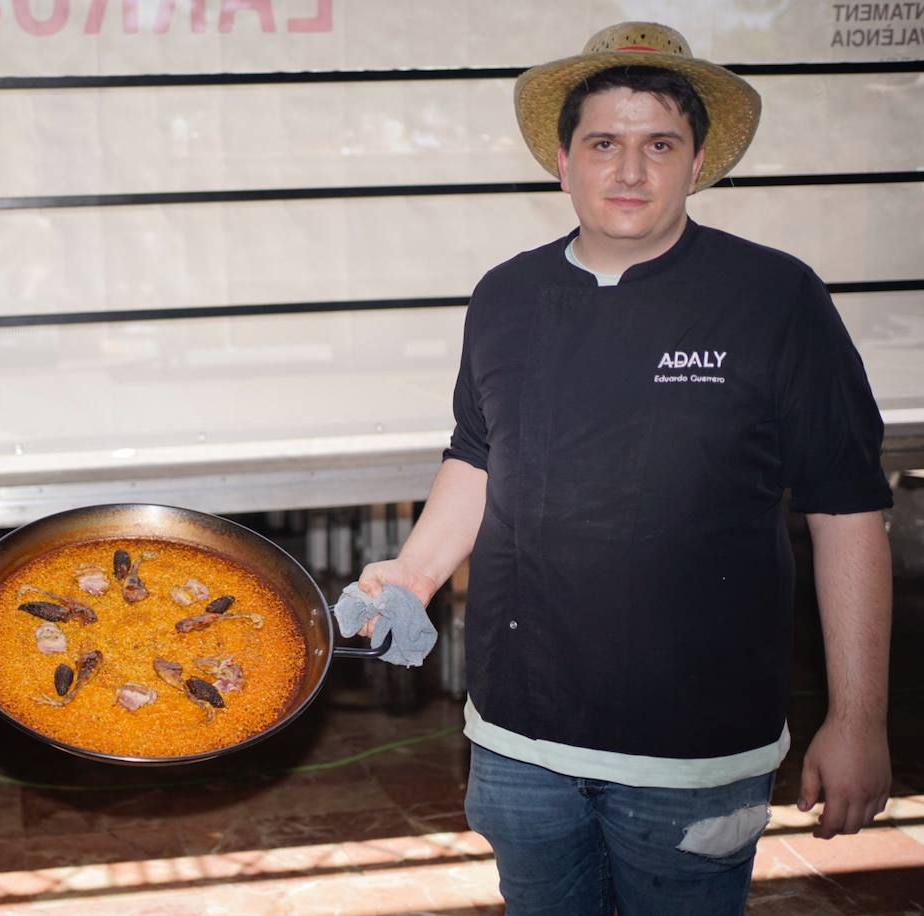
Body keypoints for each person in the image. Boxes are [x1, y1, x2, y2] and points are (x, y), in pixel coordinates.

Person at [357, 22, 893, 914]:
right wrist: (412, 575)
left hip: (693, 752)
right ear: (563, 162)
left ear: (697, 163)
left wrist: (859, 719)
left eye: (659, 145)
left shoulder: (774, 297)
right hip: (516, 739)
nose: (630, 171)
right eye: (604, 143)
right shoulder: (506, 295)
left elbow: (847, 507)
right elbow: (480, 452)